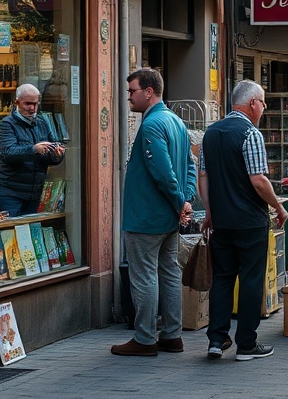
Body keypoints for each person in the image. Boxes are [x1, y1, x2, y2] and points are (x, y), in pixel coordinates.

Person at [199, 80, 288, 361]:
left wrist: (210, 212)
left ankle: (216, 339)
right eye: (262, 102)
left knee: (223, 279)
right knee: (251, 280)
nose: (263, 108)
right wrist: (278, 207)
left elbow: (204, 177)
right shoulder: (251, 134)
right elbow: (258, 179)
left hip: (222, 222)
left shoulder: (210, 134)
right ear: (252, 103)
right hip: (250, 222)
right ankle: (247, 344)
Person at [111, 68, 197, 358]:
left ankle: (145, 338)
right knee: (169, 274)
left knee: (145, 277)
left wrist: (179, 201)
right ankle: (172, 335)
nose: (129, 97)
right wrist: (185, 201)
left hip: (146, 216)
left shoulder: (151, 125)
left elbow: (163, 172)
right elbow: (190, 165)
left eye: (132, 91)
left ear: (149, 91)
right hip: (168, 218)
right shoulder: (175, 121)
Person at [0, 84, 65, 216]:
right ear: (16, 103)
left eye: (35, 104)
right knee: (8, 230)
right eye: (28, 104)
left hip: (35, 193)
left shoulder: (42, 123)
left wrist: (56, 155)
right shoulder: (6, 125)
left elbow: (49, 154)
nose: (32, 108)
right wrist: (33, 149)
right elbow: (6, 153)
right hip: (9, 192)